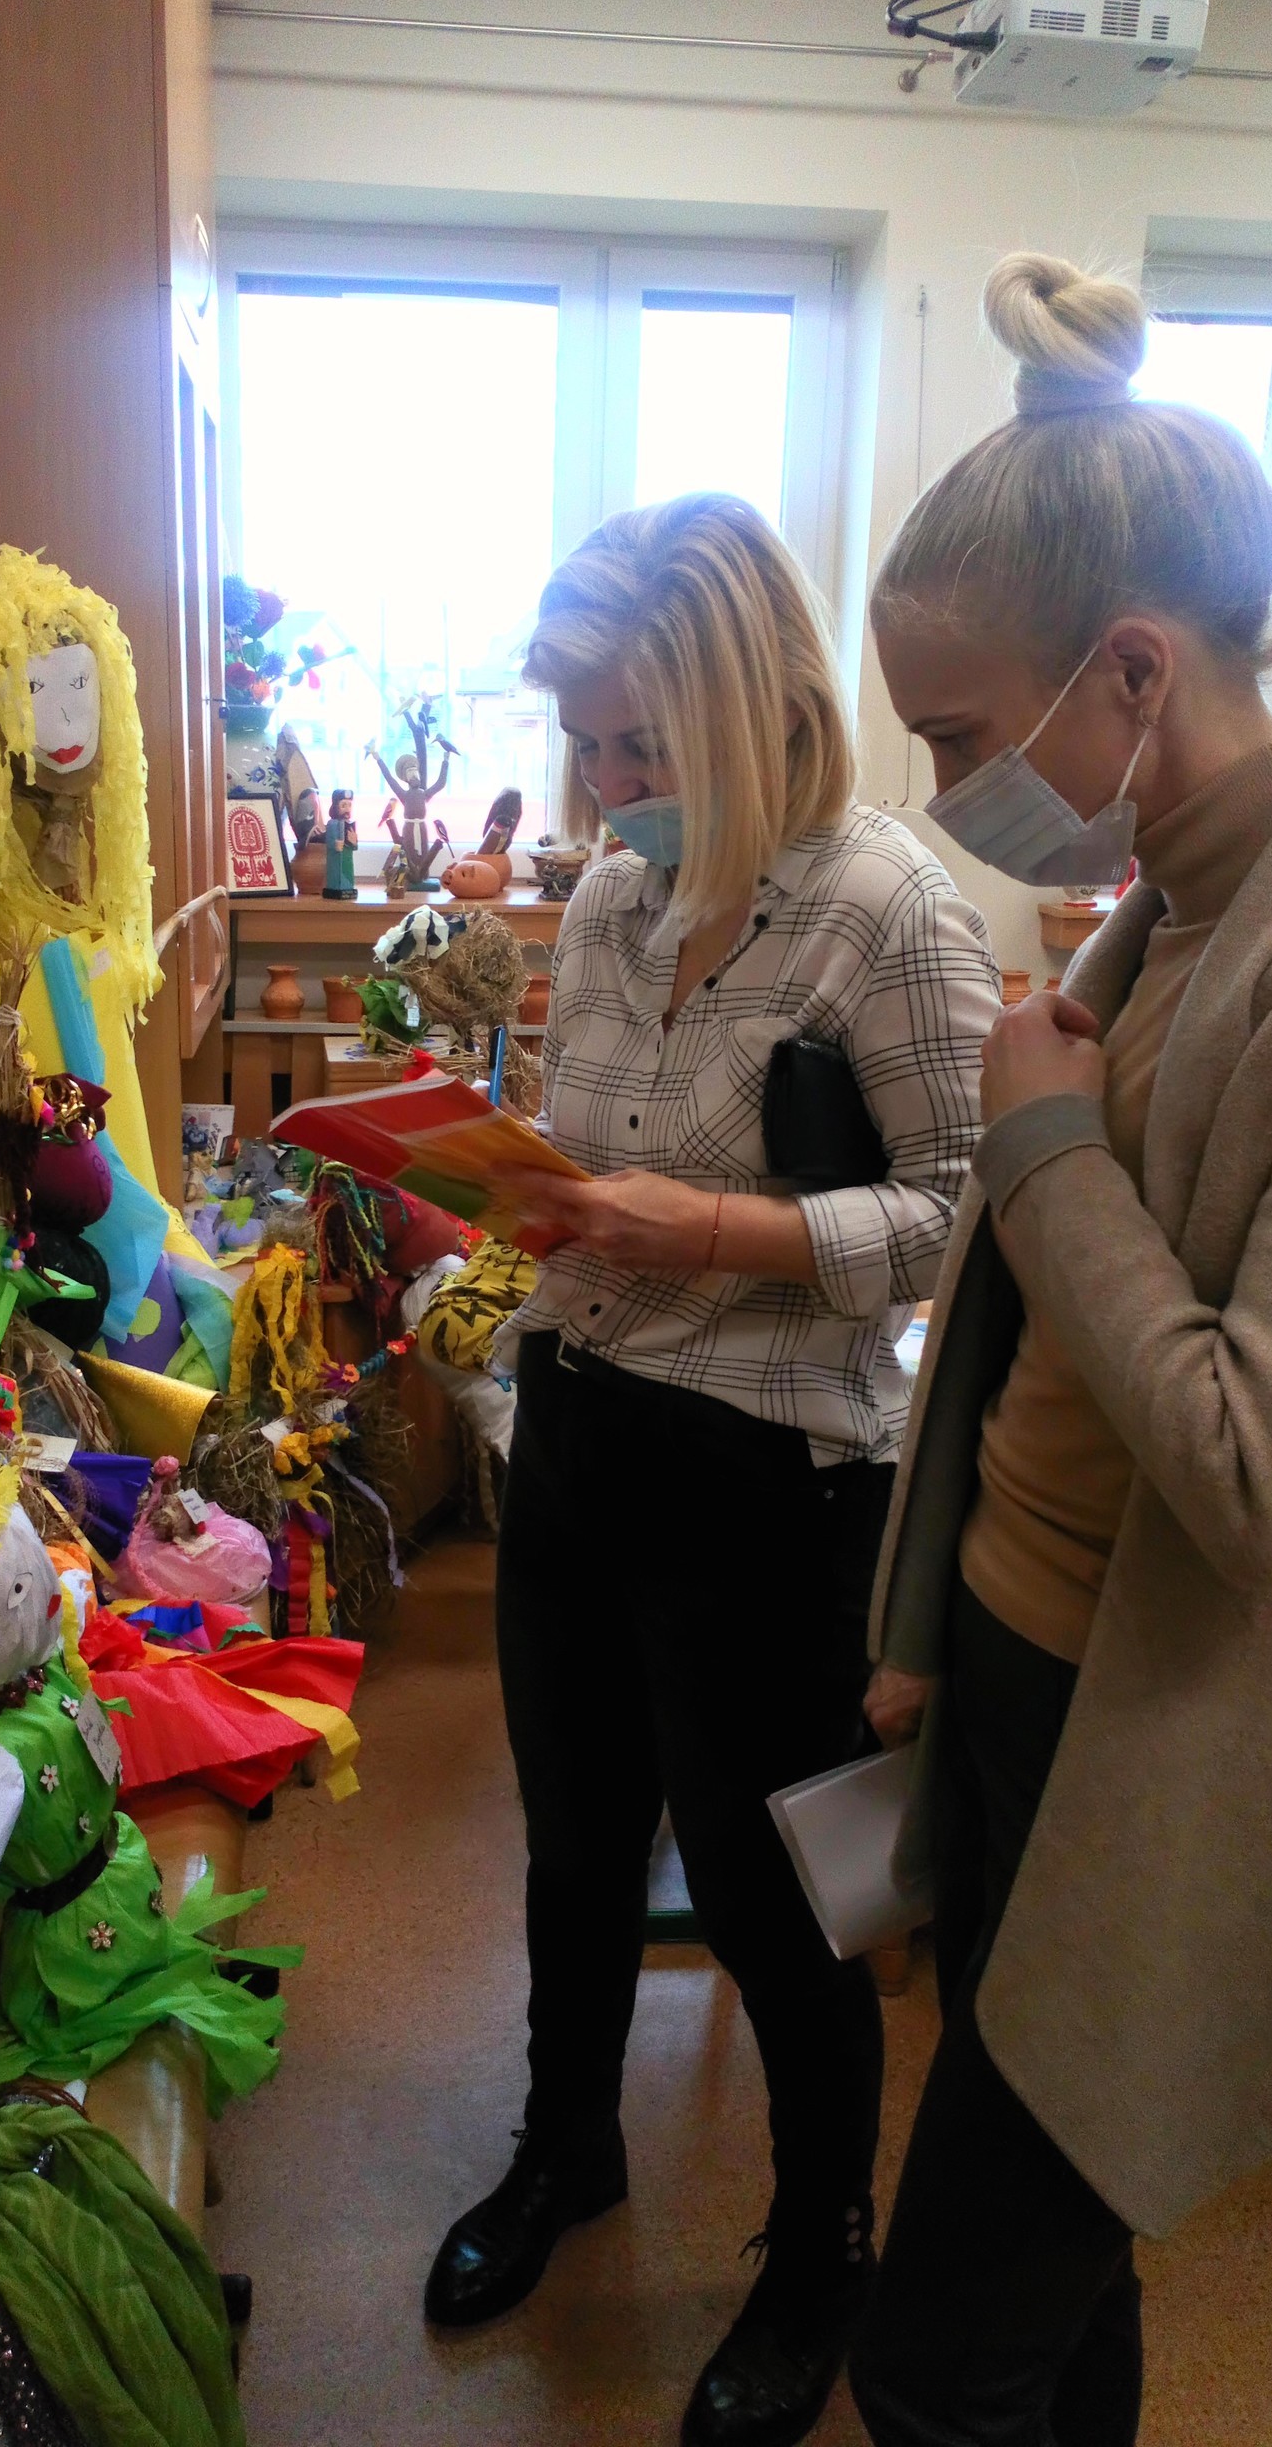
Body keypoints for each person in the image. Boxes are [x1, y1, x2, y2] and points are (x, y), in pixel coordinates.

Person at [422, 492, 1001, 2445]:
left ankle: (820, 2244)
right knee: (575, 1845)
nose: (602, 783)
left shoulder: (890, 910)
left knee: (774, 1903)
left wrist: (725, 1233)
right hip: (580, 1426)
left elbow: (962, 1215)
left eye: (636, 741)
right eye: (581, 740)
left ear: (753, 708)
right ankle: (563, 2143)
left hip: (768, 1477)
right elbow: (585, 1155)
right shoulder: (607, 902)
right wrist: (516, 1193)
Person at [848, 254, 1272, 2447]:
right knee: (1059, 2270)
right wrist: (928, 1618)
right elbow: (1026, 1361)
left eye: (954, 736)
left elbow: (1241, 1464)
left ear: (1128, 671)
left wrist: (1039, 1147)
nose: (945, 788)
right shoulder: (1165, 901)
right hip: (1023, 1666)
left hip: (1153, 1737)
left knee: (936, 2354)